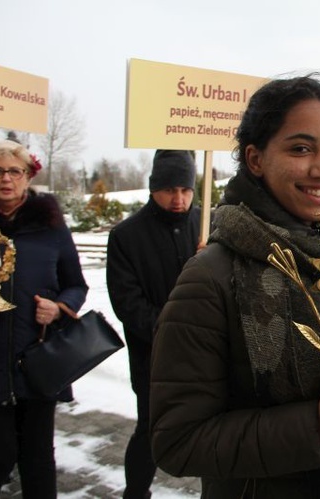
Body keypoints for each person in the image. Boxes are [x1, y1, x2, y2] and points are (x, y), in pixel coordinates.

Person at [149, 74, 320, 498]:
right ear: (255, 159)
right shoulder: (211, 277)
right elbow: (178, 441)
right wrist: (315, 426)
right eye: (301, 148)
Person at [0, 140, 88, 498]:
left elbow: (76, 284)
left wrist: (59, 307)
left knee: (38, 462)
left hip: (36, 361)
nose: (6, 179)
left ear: (27, 177)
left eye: (15, 171)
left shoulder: (51, 228)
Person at [106, 149, 202, 499]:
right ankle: (136, 492)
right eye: (170, 190)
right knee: (150, 430)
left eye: (186, 190)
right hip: (154, 358)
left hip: (206, 357)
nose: (179, 199)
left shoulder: (205, 224)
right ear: (152, 188)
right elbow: (128, 304)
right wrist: (172, 333)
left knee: (211, 430)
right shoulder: (126, 236)